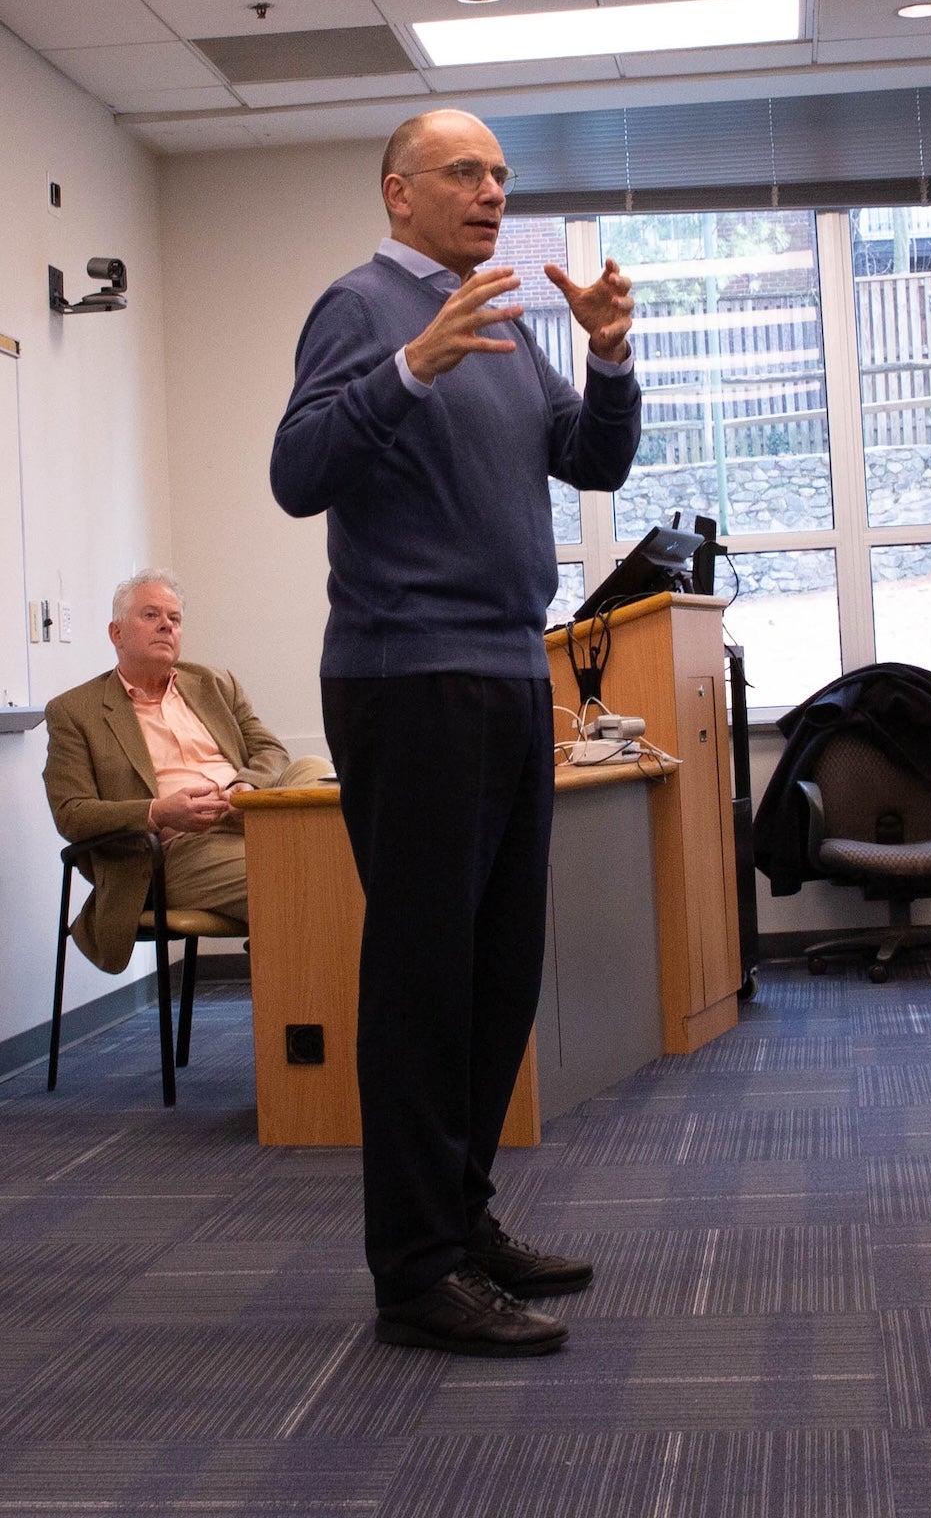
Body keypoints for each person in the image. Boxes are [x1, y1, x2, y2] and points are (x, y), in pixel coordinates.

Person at [270, 109, 641, 1359]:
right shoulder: (361, 309)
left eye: (500, 174)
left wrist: (608, 357)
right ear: (399, 193)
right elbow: (296, 471)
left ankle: (463, 1219)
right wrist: (408, 369)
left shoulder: (500, 316)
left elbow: (591, 462)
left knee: (496, 970)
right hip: (405, 675)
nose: (492, 191)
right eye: (465, 172)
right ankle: (415, 1271)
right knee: (424, 978)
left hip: (502, 671)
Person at [43, 570, 332, 972]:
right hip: (175, 848)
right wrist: (158, 812)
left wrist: (245, 785)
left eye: (174, 619)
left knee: (312, 767)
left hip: (251, 816)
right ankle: (301, 993)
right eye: (150, 615)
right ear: (116, 633)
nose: (166, 624)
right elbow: (71, 812)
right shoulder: (75, 711)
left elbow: (269, 750)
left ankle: (309, 902)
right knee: (305, 883)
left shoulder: (213, 683)